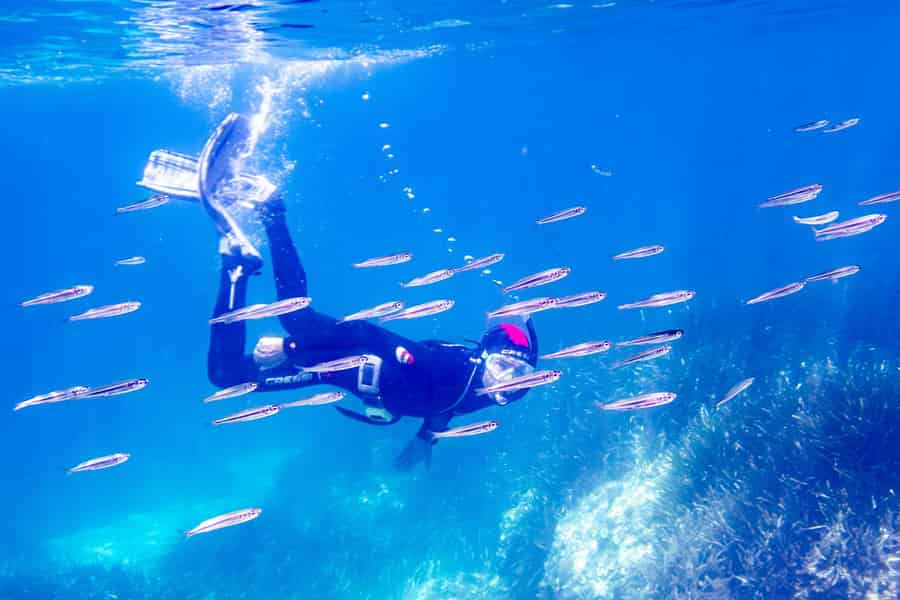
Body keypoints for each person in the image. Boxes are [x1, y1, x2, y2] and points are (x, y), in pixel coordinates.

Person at [145, 114, 540, 470]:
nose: (506, 381)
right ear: (483, 357)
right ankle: (267, 214)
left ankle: (242, 257)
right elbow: (372, 336)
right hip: (338, 358)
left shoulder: (487, 394)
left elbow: (446, 409)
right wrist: (293, 349)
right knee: (294, 320)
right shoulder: (453, 368)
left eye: (520, 378)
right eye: (505, 369)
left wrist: (426, 440)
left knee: (227, 375)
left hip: (336, 377)